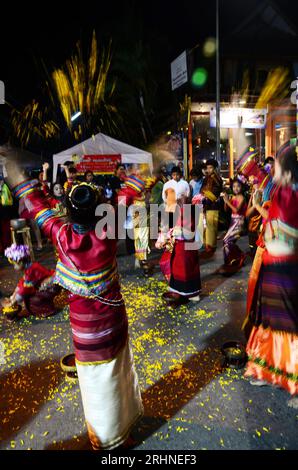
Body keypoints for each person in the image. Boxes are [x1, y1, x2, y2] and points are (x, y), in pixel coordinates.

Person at [8, 171, 143, 449]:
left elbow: (37, 208)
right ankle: (115, 436)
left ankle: (105, 438)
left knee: (96, 383)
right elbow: (127, 195)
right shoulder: (109, 230)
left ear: (68, 212)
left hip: (84, 329)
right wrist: (142, 175)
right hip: (113, 320)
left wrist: (19, 177)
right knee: (116, 373)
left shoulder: (60, 234)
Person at [244, 145, 298, 406]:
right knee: (268, 318)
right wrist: (257, 206)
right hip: (271, 265)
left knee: (289, 323)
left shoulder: (293, 195)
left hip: (287, 269)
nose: (271, 170)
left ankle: (294, 382)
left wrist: (274, 231)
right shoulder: (279, 193)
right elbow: (272, 225)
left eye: (276, 166)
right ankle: (266, 369)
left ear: (286, 170)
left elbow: (284, 232)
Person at [157, 189, 201, 307]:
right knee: (177, 268)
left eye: (182, 199)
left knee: (186, 269)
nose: (180, 201)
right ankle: (179, 292)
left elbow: (187, 231)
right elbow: (174, 228)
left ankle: (188, 293)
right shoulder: (180, 211)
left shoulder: (189, 213)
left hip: (186, 248)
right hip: (180, 247)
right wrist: (168, 236)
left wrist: (173, 234)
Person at [1, 244, 61, 321]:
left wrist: (14, 301)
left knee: (33, 299)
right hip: (44, 285)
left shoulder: (32, 269)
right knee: (27, 297)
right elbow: (23, 281)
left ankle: (47, 310)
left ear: (20, 262)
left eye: (14, 265)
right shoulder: (29, 268)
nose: (14, 267)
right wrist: (14, 294)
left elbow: (25, 288)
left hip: (50, 286)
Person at [222, 177, 247, 271]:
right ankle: (237, 258)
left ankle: (236, 258)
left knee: (226, 241)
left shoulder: (242, 198)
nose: (236, 188)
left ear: (242, 187)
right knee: (229, 242)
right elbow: (226, 209)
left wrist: (228, 202)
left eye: (238, 186)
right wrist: (226, 200)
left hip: (239, 222)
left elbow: (236, 210)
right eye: (234, 186)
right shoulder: (233, 197)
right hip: (233, 221)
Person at [198, 159, 223, 255]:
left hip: (213, 205)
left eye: (211, 167)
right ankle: (207, 245)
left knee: (211, 227)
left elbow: (215, 193)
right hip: (205, 205)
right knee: (205, 226)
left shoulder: (217, 178)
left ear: (215, 168)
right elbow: (201, 189)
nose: (208, 169)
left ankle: (211, 246)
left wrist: (204, 193)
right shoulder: (206, 178)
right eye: (207, 167)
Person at [0, 175, 13, 254]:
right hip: (3, 211)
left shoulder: (5, 186)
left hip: (5, 211)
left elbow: (9, 200)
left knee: (6, 231)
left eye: (1, 181)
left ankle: (7, 248)